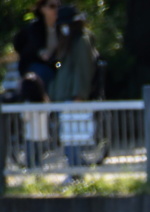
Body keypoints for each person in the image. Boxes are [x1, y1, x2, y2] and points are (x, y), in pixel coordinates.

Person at [49, 5, 98, 179]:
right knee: (68, 136)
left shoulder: (81, 41)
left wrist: (80, 94)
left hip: (74, 95)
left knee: (74, 136)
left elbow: (83, 70)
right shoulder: (67, 42)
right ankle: (74, 171)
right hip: (64, 94)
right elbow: (60, 65)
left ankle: (76, 173)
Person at [13, 0, 61, 90]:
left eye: (59, 6)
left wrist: (58, 63)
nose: (56, 9)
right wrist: (39, 53)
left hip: (56, 65)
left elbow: (59, 60)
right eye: (52, 6)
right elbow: (21, 46)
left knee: (63, 70)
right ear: (42, 9)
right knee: (44, 72)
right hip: (34, 66)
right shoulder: (33, 29)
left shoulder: (62, 28)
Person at [20, 72, 51, 169]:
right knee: (40, 158)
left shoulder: (28, 104)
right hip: (43, 134)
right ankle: (40, 175)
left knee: (31, 160)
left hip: (31, 135)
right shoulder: (45, 101)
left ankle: (32, 175)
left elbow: (25, 117)